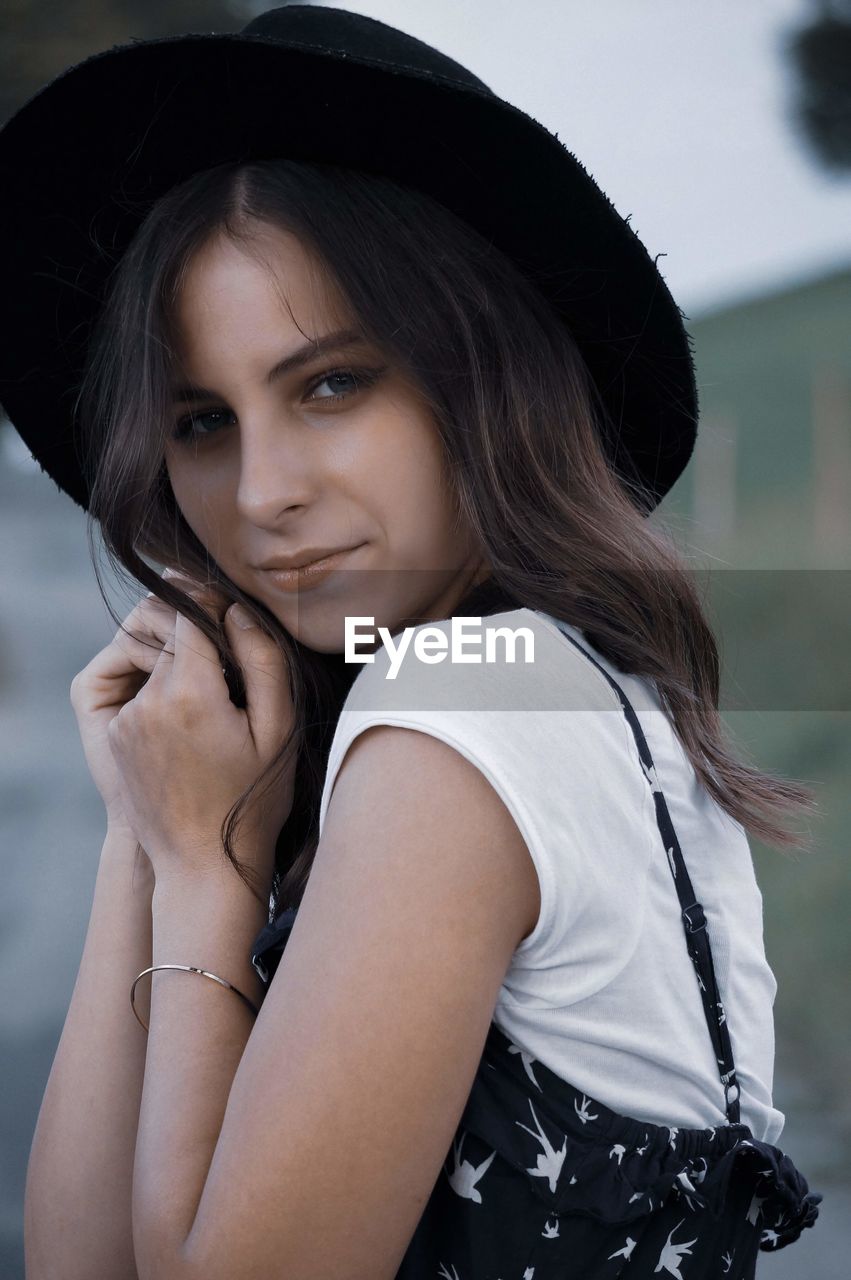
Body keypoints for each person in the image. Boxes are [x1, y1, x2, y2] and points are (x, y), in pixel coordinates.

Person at [1, 6, 821, 1278]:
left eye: (329, 383)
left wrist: (207, 876)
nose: (261, 489)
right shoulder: (542, 685)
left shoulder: (463, 703)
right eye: (204, 421)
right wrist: (151, 822)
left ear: (479, 373)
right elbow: (75, 1261)